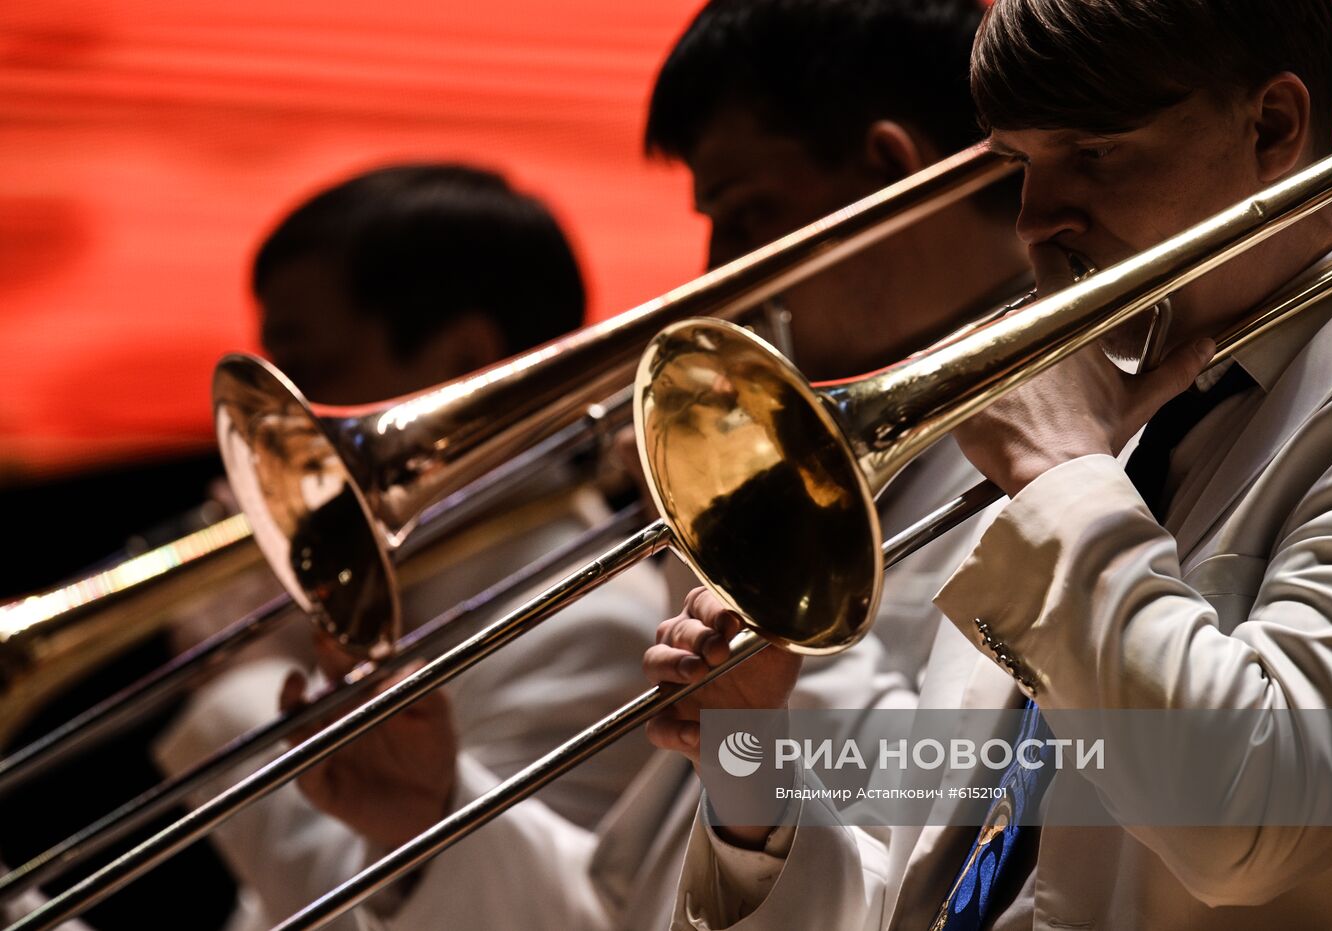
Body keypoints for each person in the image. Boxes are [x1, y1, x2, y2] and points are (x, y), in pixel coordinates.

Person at [648, 0, 1332, 928]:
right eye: (1020, 164)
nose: (1037, 221)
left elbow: (1252, 820)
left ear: (1273, 126)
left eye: (1093, 151)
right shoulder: (1096, 415)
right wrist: (748, 757)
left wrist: (1061, 480)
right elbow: (941, 883)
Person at [339, 2, 1028, 929]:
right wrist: (428, 816)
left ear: (891, 175)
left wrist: (736, 526)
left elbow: (943, 828)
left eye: (749, 214)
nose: (718, 269)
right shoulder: (871, 453)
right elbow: (629, 909)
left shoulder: (1062, 465)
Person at [152, 163, 669, 931]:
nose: (265, 454)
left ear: (463, 362)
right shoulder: (407, 595)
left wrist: (241, 679)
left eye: (311, 379)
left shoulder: (589, 626)